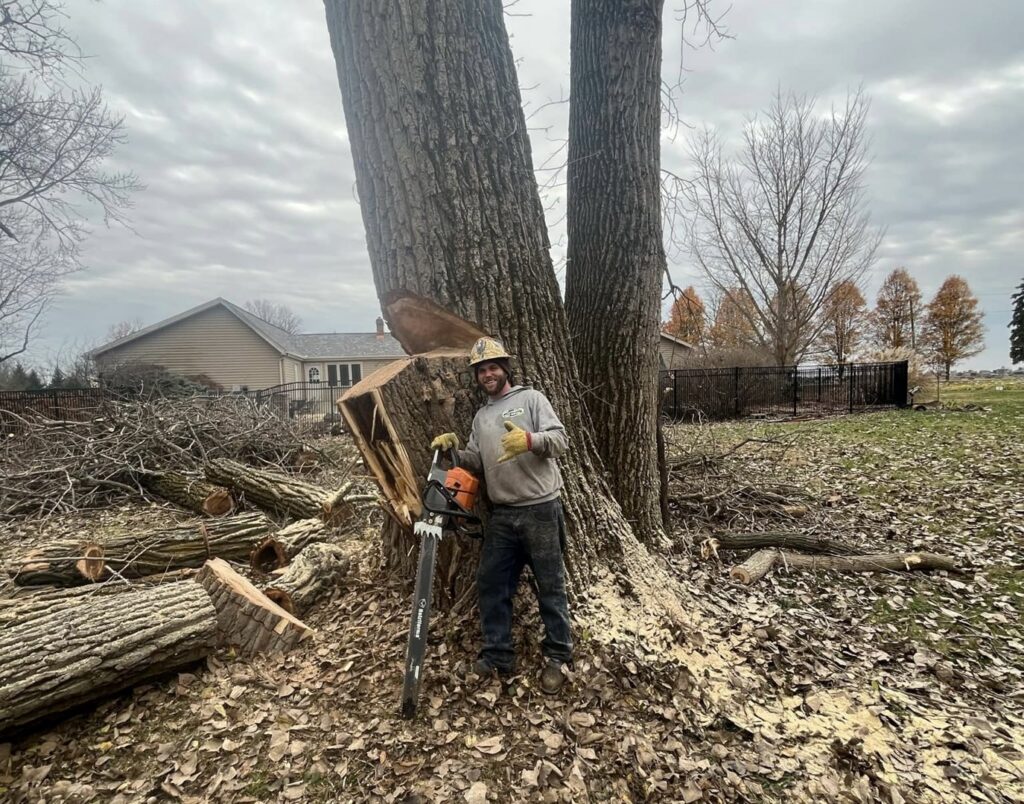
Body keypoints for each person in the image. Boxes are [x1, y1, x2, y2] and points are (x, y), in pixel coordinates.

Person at [431, 337, 573, 694]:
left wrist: (530, 441)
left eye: (493, 367)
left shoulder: (531, 399)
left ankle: (558, 655)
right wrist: (455, 452)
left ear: (505, 368)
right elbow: (477, 462)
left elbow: (560, 441)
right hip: (503, 515)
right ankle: (498, 654)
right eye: (481, 370)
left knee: (551, 586)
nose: (487, 374)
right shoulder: (482, 416)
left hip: (541, 508)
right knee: (491, 583)